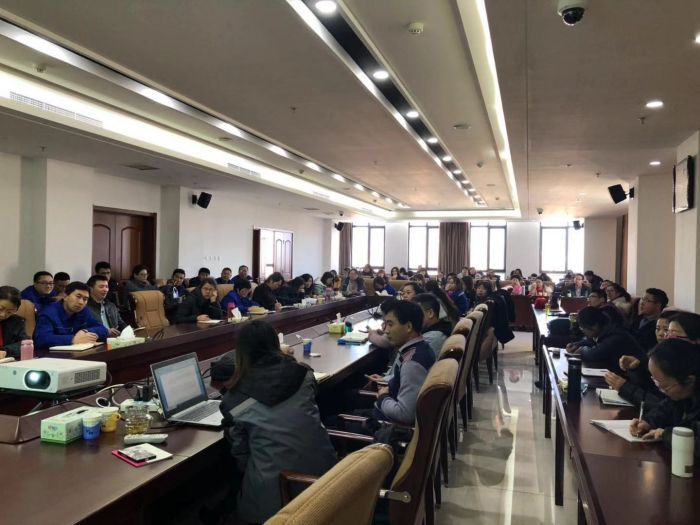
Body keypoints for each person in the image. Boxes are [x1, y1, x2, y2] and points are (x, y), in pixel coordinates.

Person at [219, 320, 337, 524]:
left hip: (275, 497)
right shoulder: (303, 374)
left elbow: (241, 455)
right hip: (327, 478)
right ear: (275, 344)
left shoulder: (234, 399)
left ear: (240, 353)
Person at [629, 339, 700, 458]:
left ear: (689, 380)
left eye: (665, 387)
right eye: (656, 382)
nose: (662, 391)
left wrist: (666, 435)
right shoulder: (681, 394)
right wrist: (647, 422)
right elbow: (665, 408)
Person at [372, 300, 435, 424]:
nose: (386, 330)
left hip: (385, 427)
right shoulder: (422, 347)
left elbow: (405, 414)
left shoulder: (412, 363)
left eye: (390, 325)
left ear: (408, 327)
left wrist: (383, 397)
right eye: (385, 324)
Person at [605, 311, 676, 408]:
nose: (661, 334)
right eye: (657, 329)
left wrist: (625, 388)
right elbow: (646, 385)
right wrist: (636, 367)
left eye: (666, 330)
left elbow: (663, 405)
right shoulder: (655, 351)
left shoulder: (678, 362)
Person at [566, 306, 643, 373]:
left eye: (583, 328)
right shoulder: (606, 329)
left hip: (630, 377)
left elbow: (594, 355)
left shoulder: (615, 336)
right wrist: (576, 345)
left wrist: (582, 350)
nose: (582, 331)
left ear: (595, 326)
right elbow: (592, 340)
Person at [34, 282, 109, 349]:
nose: (81, 302)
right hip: (53, 357)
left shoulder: (84, 311)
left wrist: (85, 331)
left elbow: (103, 330)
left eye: (85, 299)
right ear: (65, 296)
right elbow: (41, 339)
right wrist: (73, 339)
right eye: (78, 297)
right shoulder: (49, 313)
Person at [413, 293, 453, 358]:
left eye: (415, 313)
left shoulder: (431, 338)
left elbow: (410, 362)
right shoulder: (442, 327)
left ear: (430, 313)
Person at [0, 286, 29, 359]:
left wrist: (5, 351)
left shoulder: (16, 321)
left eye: (10, 312)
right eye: (0, 309)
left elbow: (25, 343)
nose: (3, 315)